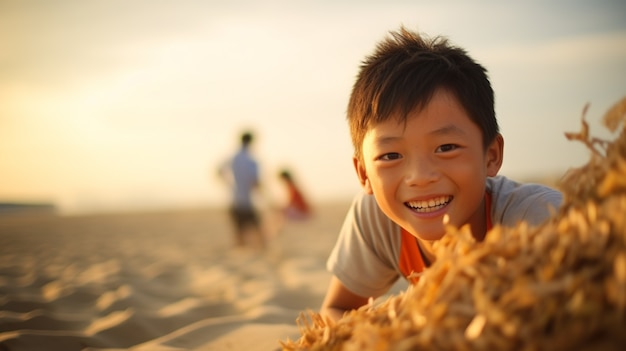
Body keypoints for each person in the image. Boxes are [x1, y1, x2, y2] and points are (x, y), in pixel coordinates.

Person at [320, 27, 563, 322]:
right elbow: (337, 310)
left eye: (446, 147)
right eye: (391, 156)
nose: (420, 177)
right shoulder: (376, 219)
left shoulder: (536, 220)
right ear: (364, 174)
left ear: (491, 155)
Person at [218, 131, 265, 248]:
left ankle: (240, 250)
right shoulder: (251, 161)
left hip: (234, 198)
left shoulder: (233, 157)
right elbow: (255, 182)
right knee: (257, 228)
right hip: (246, 200)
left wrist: (229, 184)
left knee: (239, 230)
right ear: (252, 142)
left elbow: (219, 171)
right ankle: (258, 248)